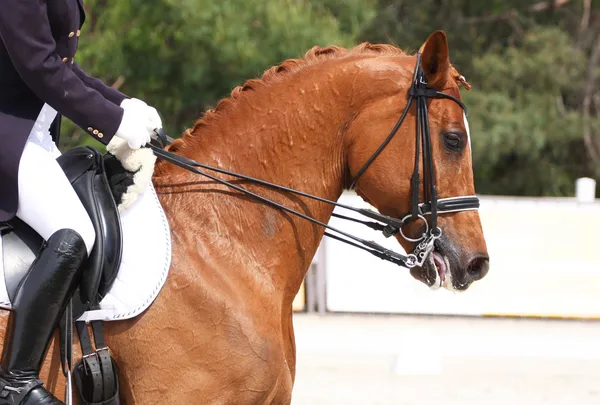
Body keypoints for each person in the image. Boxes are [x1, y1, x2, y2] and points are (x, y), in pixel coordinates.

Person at [0, 1, 160, 403]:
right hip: (7, 132)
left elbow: (63, 66)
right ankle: (15, 382)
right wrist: (112, 123)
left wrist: (122, 105)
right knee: (74, 231)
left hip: (34, 132)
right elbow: (39, 65)